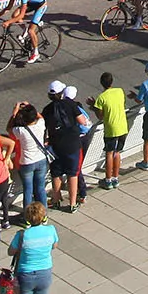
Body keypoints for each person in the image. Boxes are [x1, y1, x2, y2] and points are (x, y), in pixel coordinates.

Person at [8, 202, 58, 294]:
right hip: (45, 273)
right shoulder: (51, 230)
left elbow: (11, 252)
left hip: (25, 274)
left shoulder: (22, 235)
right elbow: (54, 245)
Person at [42, 81, 86, 212]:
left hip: (55, 145)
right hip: (72, 143)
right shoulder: (70, 104)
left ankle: (55, 200)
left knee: (56, 173)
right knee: (72, 174)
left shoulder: (47, 110)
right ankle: (72, 203)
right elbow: (82, 121)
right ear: (62, 94)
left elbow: (44, 127)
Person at [0, 0, 48, 65]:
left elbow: (21, 15)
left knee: (31, 30)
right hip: (32, 2)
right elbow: (8, 7)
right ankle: (25, 30)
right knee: (14, 15)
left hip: (40, 5)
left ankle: (36, 53)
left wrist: (8, 22)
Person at [9, 102, 50, 210]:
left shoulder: (21, 131)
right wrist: (30, 106)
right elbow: (40, 116)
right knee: (40, 187)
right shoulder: (41, 124)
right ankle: (43, 212)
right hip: (41, 159)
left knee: (28, 189)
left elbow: (9, 129)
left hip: (27, 162)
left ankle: (27, 216)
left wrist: (14, 113)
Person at [91, 72, 129, 188]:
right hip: (123, 126)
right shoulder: (120, 91)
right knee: (117, 153)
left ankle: (108, 180)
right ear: (112, 81)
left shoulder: (101, 98)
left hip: (111, 129)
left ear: (101, 83)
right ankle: (115, 178)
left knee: (109, 153)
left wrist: (93, 105)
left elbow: (100, 116)